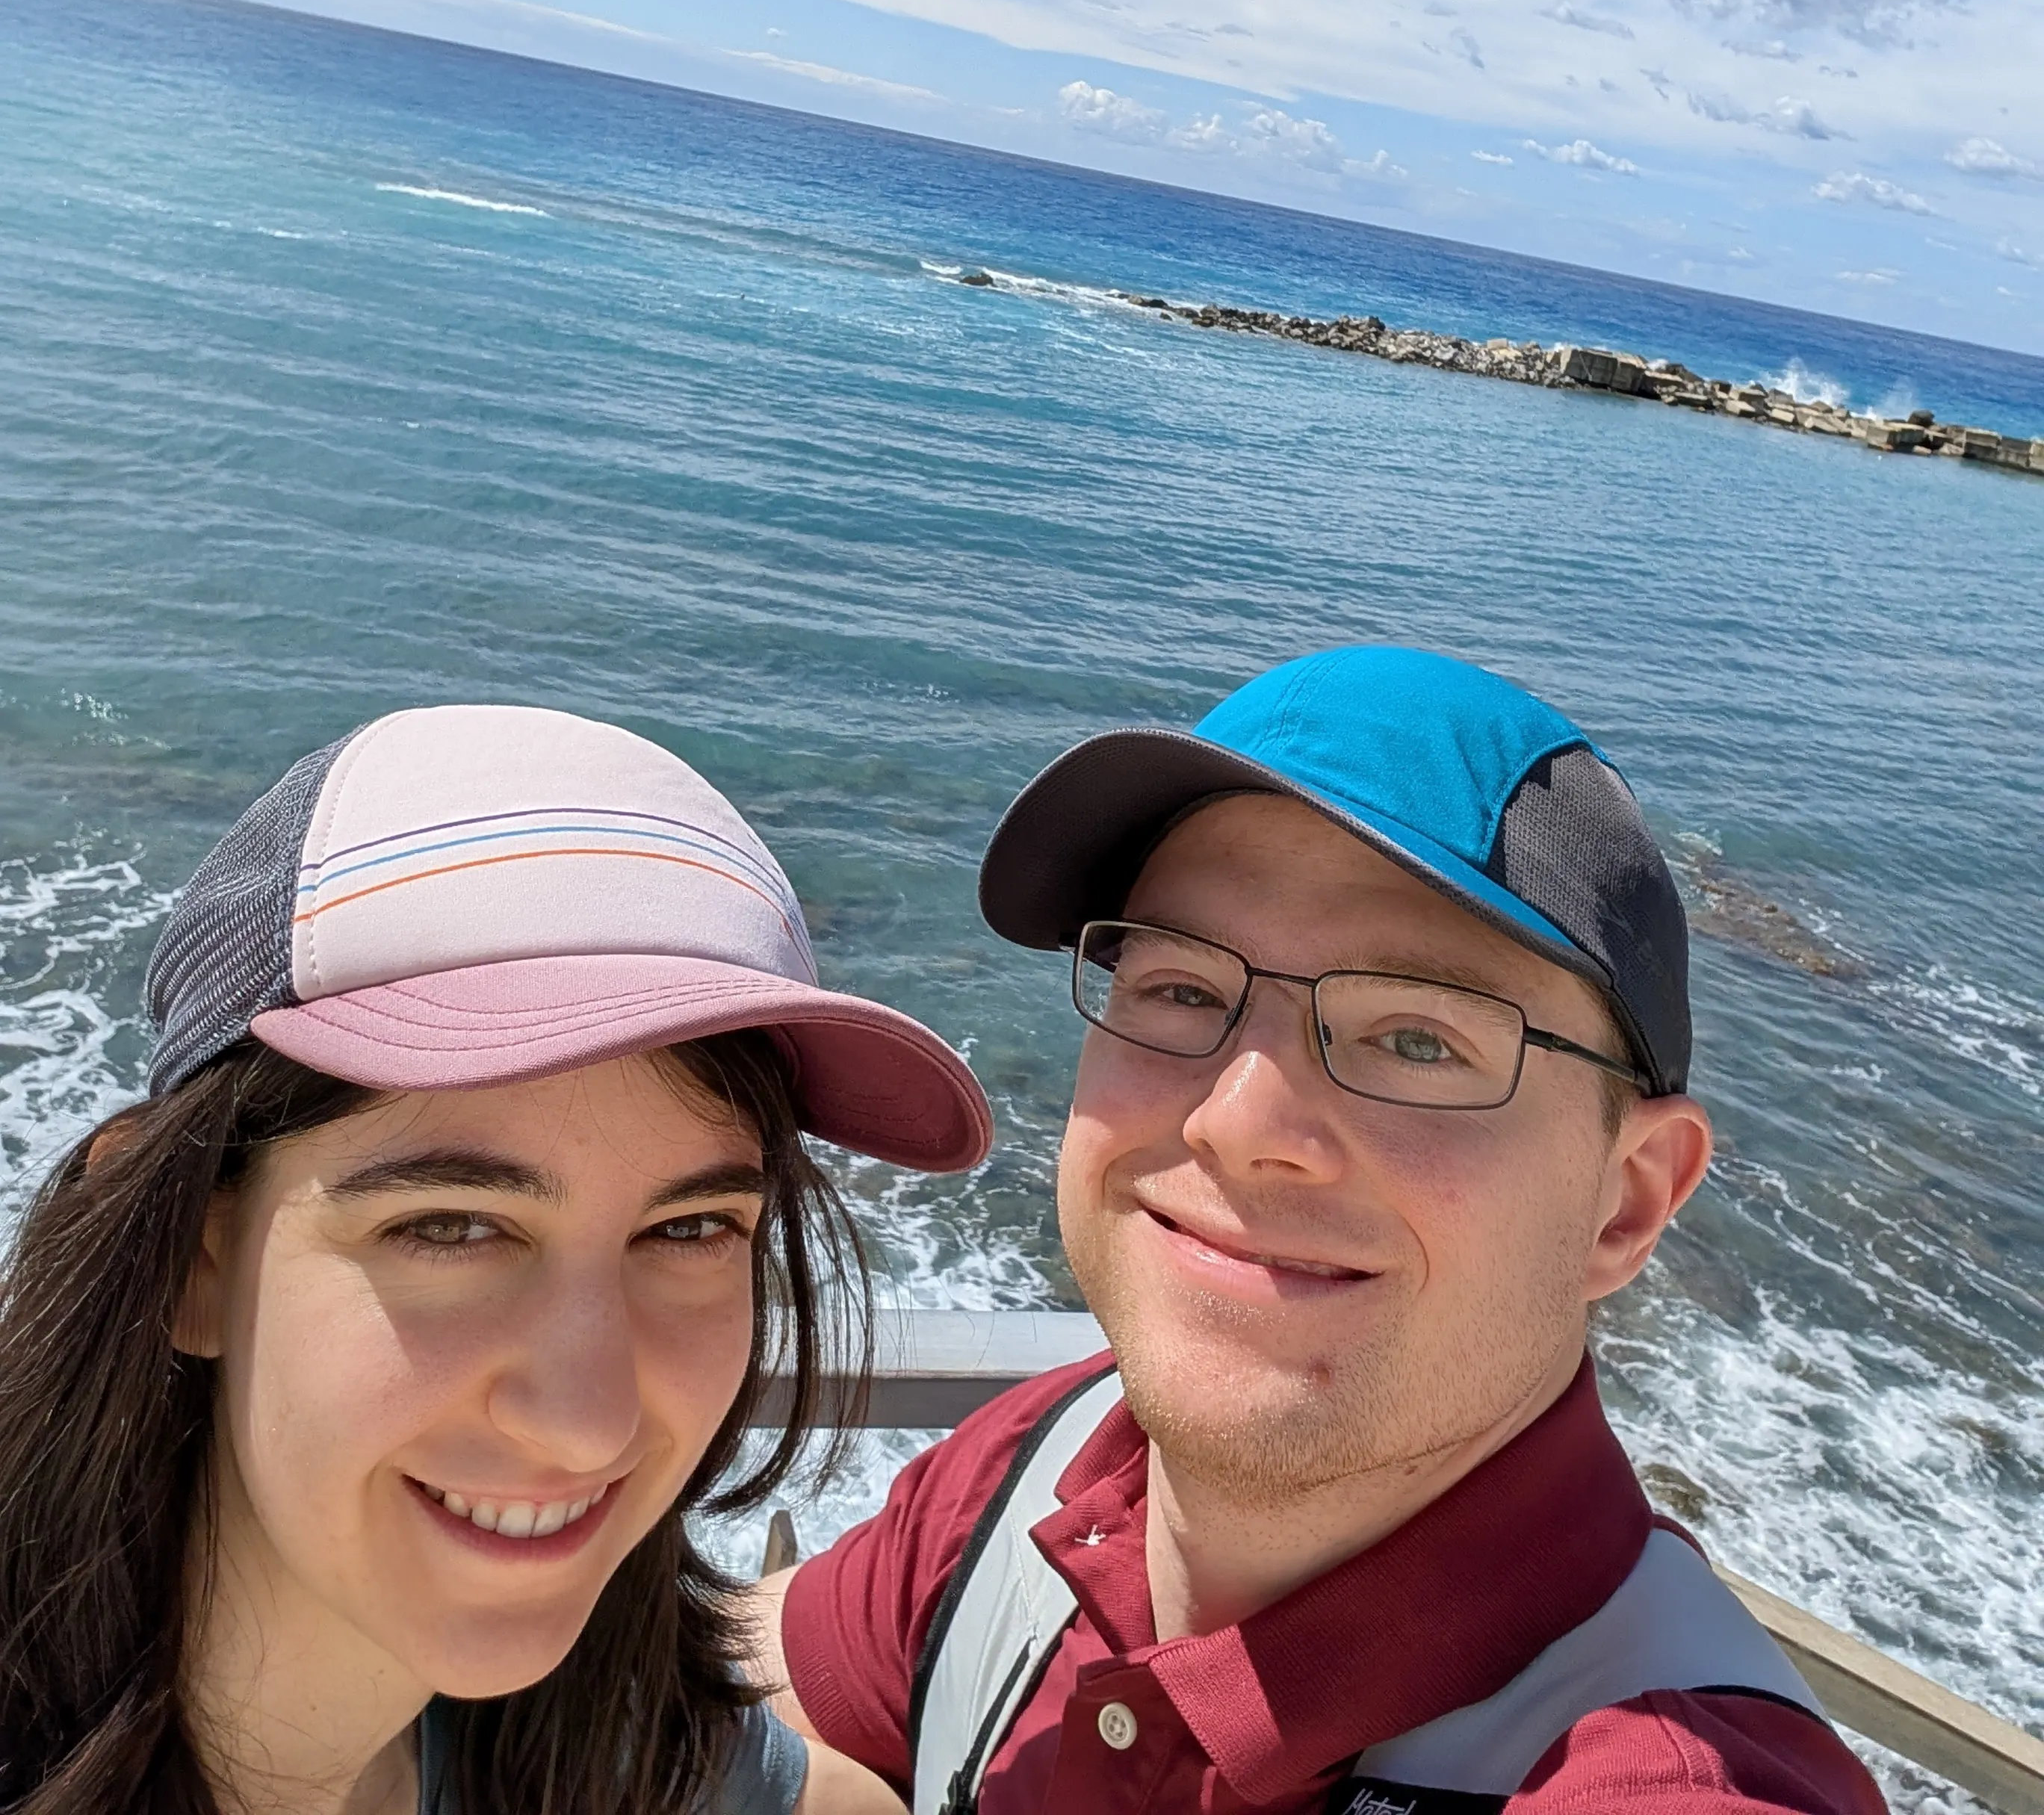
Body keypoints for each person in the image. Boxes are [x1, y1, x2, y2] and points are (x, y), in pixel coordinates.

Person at [752, 646, 1885, 1814]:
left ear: (1629, 1198)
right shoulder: (1054, 1455)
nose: (1241, 1124)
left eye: (1418, 1038)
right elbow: (770, 1701)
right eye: (1183, 990)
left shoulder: (1674, 1781)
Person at [0, 701, 992, 1815]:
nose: (589, 1423)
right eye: (453, 1226)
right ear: (192, 1258)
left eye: (689, 1229)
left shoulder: (640, 1763)